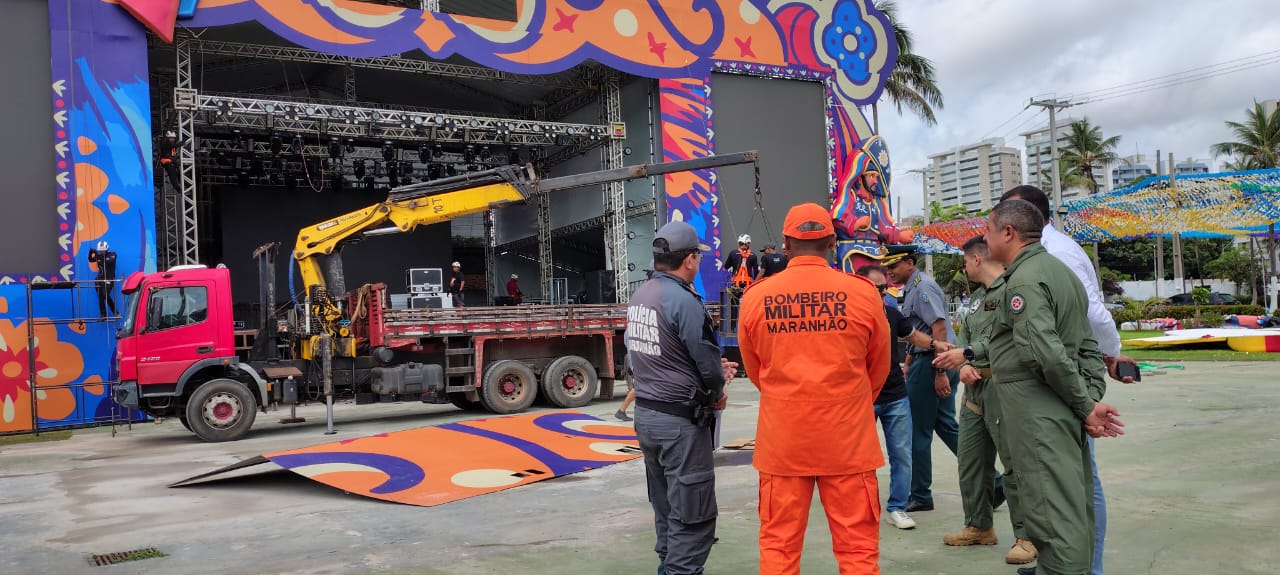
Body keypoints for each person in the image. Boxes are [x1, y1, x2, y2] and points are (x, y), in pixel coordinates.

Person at [737, 203, 891, 574]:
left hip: (783, 441)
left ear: (786, 244)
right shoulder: (863, 293)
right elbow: (879, 365)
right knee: (858, 550)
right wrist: (849, 402)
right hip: (848, 441)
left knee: (779, 547)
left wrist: (786, 398)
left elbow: (755, 369)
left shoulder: (756, 297)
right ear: (832, 242)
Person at [1000, 185, 1139, 575]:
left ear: (1018, 219)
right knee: (1067, 482)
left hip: (1063, 385)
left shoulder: (1052, 256)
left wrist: (1106, 364)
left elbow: (1089, 316)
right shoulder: (1046, 254)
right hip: (1061, 382)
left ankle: (1084, 567)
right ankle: (1067, 563)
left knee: (1074, 483)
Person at [627, 220, 737, 575]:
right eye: (698, 257)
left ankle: (667, 565)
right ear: (689, 259)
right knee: (693, 517)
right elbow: (707, 366)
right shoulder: (685, 301)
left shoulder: (640, 296)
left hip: (648, 417)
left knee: (666, 507)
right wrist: (716, 391)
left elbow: (647, 355)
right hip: (679, 425)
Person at [933, 236, 1036, 565]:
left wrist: (967, 354)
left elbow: (1015, 340)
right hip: (973, 390)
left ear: (977, 259)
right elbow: (965, 336)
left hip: (1003, 387)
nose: (964, 268)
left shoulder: (1012, 291)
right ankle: (979, 525)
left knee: (1014, 465)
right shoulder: (977, 299)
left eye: (965, 261)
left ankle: (1026, 535)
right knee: (971, 462)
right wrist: (963, 364)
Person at [855, 264, 955, 531]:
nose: (881, 293)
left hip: (895, 396)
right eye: (875, 288)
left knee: (902, 454)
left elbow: (913, 335)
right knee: (859, 457)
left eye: (883, 289)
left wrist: (936, 346)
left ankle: (897, 507)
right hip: (861, 397)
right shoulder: (848, 317)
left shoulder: (891, 314)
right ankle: (858, 506)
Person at [882, 247, 959, 512]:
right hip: (930, 360)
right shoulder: (913, 287)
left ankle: (921, 494)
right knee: (946, 425)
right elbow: (920, 331)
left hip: (932, 363)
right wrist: (909, 360)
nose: (889, 272)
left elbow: (938, 328)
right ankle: (993, 482)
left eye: (893, 266)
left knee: (917, 430)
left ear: (909, 262)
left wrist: (939, 371)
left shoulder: (922, 287)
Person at [88, 240, 118, 318]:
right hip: (100, 279)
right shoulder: (99, 256)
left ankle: (115, 312)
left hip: (109, 279)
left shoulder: (112, 254)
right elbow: (90, 259)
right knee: (100, 296)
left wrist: (98, 256)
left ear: (107, 249)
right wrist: (91, 253)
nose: (101, 252)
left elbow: (109, 261)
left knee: (105, 295)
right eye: (100, 251)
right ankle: (103, 314)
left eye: (103, 250)